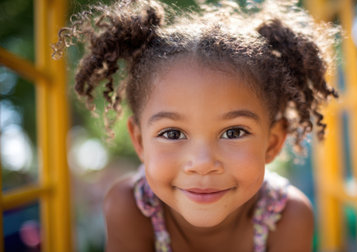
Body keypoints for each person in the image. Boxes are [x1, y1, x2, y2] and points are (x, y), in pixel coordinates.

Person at [53, 0, 339, 251]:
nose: (202, 163)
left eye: (234, 132)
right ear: (139, 142)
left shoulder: (288, 215)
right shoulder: (129, 207)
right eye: (173, 133)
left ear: (273, 142)